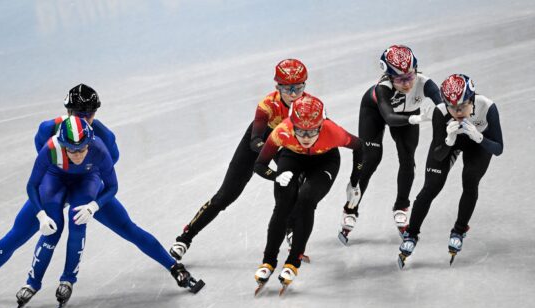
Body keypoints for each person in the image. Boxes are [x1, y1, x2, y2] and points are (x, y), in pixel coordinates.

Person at [0, 84, 203, 305]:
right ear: (68, 112)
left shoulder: (104, 138)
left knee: (128, 228)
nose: (85, 117)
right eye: (79, 113)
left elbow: (106, 171)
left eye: (90, 113)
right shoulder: (48, 129)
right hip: (55, 184)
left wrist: (92, 202)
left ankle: (174, 267)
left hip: (87, 186)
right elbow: (46, 161)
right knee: (18, 234)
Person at [169, 59, 309, 260]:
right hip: (260, 143)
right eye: (288, 89)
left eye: (299, 87)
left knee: (297, 182)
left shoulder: (309, 105)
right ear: (278, 86)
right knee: (226, 195)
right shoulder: (267, 106)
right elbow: (255, 142)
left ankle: (290, 229)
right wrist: (273, 167)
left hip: (286, 143)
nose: (294, 94)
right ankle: (186, 236)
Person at [253, 95, 363, 293]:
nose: (305, 138)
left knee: (306, 199)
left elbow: (360, 147)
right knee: (283, 203)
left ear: (321, 126)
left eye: (312, 131)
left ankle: (293, 262)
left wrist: (355, 181)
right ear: (292, 125)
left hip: (325, 161)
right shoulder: (282, 131)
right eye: (301, 131)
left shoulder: (333, 131)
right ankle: (268, 261)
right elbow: (260, 164)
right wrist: (275, 176)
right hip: (292, 157)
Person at [338, 45, 443, 245]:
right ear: (388, 76)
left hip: (408, 114)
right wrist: (417, 119)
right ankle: (351, 208)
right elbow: (389, 117)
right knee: (371, 160)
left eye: (410, 76)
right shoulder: (382, 88)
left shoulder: (425, 83)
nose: (407, 83)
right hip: (375, 113)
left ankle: (401, 206)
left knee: (407, 158)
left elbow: (443, 104)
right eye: (400, 80)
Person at [397, 74, 503, 268]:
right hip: (451, 142)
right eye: (452, 107)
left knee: (470, 180)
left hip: (477, 143)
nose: (457, 112)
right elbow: (438, 155)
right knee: (430, 187)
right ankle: (411, 234)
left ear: (472, 99)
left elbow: (498, 148)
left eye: (462, 106)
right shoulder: (440, 112)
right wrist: (449, 141)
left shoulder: (487, 107)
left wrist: (478, 137)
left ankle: (459, 229)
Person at [14, 116, 117, 308]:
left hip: (86, 181)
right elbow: (32, 185)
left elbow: (113, 186)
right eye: (71, 150)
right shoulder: (51, 149)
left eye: (82, 149)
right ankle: (32, 282)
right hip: (56, 179)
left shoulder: (99, 149)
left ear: (89, 144)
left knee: (77, 223)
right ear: (62, 145)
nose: (77, 155)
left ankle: (68, 280)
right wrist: (41, 215)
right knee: (51, 230)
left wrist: (94, 206)